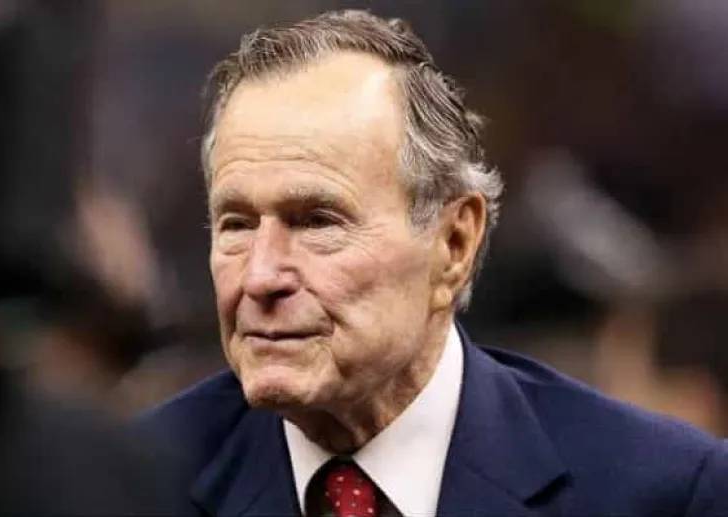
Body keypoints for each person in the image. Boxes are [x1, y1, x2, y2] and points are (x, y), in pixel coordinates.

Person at [142, 9, 728, 516]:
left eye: (317, 221)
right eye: (237, 225)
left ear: (454, 244)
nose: (260, 276)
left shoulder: (664, 491)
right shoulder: (127, 485)